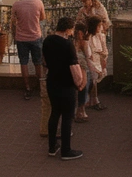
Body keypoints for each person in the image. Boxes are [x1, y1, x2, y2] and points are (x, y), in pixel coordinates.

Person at [43, 16, 85, 161]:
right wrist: (79, 82)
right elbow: (74, 66)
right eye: (72, 30)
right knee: (67, 116)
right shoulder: (68, 45)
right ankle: (66, 150)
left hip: (52, 81)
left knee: (55, 113)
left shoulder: (47, 41)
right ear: (67, 29)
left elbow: (45, 61)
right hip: (66, 84)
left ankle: (52, 146)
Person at [11, 0, 47, 100]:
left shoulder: (16, 5)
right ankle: (41, 87)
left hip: (21, 38)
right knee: (38, 62)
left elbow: (13, 21)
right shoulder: (38, 3)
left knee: (24, 63)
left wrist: (15, 33)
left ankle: (27, 88)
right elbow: (42, 18)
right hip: (35, 36)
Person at [86, 16, 108, 111]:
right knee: (93, 80)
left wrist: (103, 58)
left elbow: (104, 50)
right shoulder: (88, 37)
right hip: (91, 61)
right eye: (98, 26)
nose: (100, 28)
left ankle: (92, 100)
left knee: (94, 81)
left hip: (98, 60)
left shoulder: (101, 36)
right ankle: (94, 100)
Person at [73, 23, 93, 123]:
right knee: (85, 86)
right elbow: (88, 55)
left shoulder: (70, 41)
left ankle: (75, 110)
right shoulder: (83, 43)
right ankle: (81, 110)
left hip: (73, 67)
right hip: (82, 67)